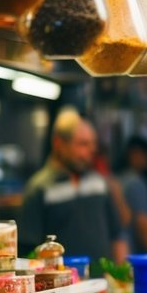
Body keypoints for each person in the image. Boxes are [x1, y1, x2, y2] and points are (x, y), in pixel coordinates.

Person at [19, 109, 127, 263]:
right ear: (59, 143)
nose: (91, 151)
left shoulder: (99, 183)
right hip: (62, 285)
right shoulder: (39, 188)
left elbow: (117, 235)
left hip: (102, 283)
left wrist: (120, 276)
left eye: (93, 144)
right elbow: (27, 252)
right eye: (83, 144)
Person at [117, 137, 147, 255]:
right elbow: (143, 225)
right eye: (145, 153)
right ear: (134, 154)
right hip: (131, 256)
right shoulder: (136, 183)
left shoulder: (117, 180)